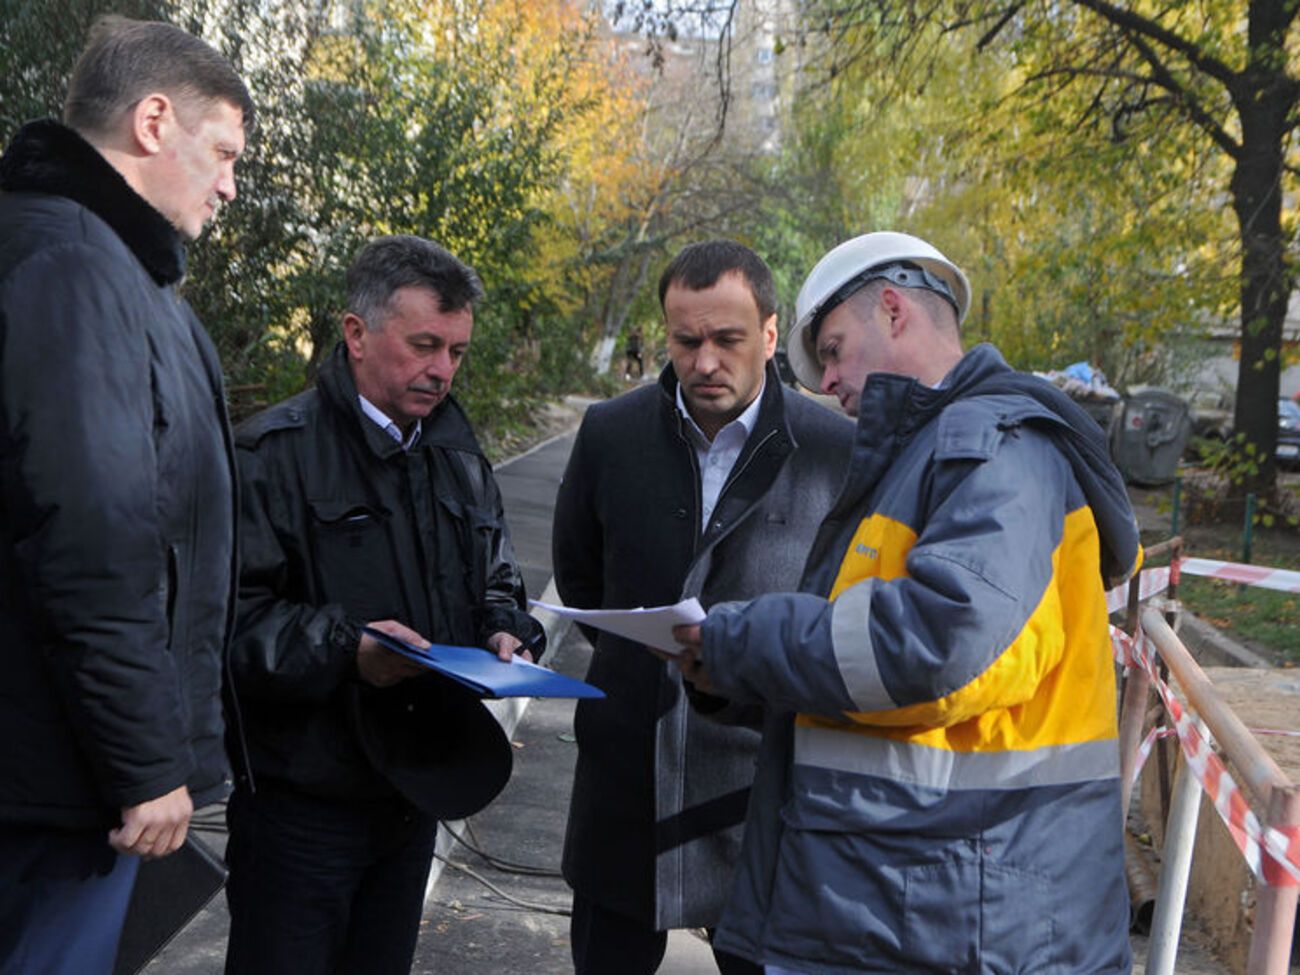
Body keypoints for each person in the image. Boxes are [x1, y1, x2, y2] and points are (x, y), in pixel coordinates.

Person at [674, 231, 1140, 974]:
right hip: (919, 899)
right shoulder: (926, 457)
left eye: (831, 350)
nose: (827, 381)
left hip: (958, 913)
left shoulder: (997, 450)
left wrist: (745, 640)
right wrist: (737, 678)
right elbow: (869, 674)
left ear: (891, 309)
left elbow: (939, 649)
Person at [0, 16, 251, 974]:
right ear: (154, 121)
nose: (230, 183)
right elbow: (94, 543)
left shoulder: (117, 274)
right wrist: (148, 764)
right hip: (59, 790)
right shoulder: (73, 267)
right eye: (222, 151)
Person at [225, 234, 544, 975]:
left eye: (457, 352)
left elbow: (498, 574)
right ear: (356, 333)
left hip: (415, 793)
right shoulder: (271, 455)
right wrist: (349, 650)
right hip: (301, 805)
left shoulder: (457, 455)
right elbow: (227, 625)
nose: (442, 371)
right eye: (425, 345)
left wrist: (503, 627)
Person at [554, 239, 853, 975]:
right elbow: (582, 579)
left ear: (773, 336)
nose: (705, 362)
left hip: (764, 790)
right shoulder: (610, 435)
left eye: (728, 339)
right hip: (626, 775)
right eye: (686, 341)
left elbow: (848, 613)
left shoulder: (837, 451)